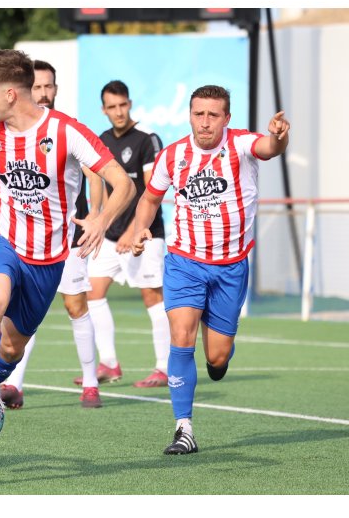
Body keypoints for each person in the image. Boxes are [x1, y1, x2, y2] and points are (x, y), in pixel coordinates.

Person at [0, 49, 135, 456]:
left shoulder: (67, 132)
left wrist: (100, 219)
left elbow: (123, 183)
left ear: (10, 93)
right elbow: (0, 169)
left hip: (47, 255)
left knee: (12, 348)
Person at [130, 85, 290, 454]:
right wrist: (141, 227)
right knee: (181, 336)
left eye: (213, 115)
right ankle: (183, 428)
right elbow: (150, 198)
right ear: (190, 115)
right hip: (185, 262)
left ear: (226, 119)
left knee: (217, 357)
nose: (204, 123)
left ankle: (218, 355)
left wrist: (279, 138)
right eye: (198, 114)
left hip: (230, 267)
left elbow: (269, 148)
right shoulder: (173, 156)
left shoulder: (241, 145)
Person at [0, 60, 105, 410]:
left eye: (48, 86)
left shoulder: (65, 129)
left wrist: (94, 217)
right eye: (38, 86)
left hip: (66, 235)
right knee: (21, 312)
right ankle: (14, 384)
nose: (43, 92)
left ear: (55, 89)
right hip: (24, 237)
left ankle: (90, 383)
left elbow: (97, 175)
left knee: (75, 305)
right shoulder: (11, 129)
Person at [73, 80, 171, 388]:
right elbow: (99, 184)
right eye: (111, 107)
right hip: (112, 235)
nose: (118, 111)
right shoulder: (101, 139)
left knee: (152, 297)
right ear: (103, 109)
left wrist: (134, 231)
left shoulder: (147, 140)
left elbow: (149, 191)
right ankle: (110, 364)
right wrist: (98, 218)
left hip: (145, 234)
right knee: (93, 294)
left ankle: (164, 368)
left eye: (122, 105)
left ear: (129, 104)